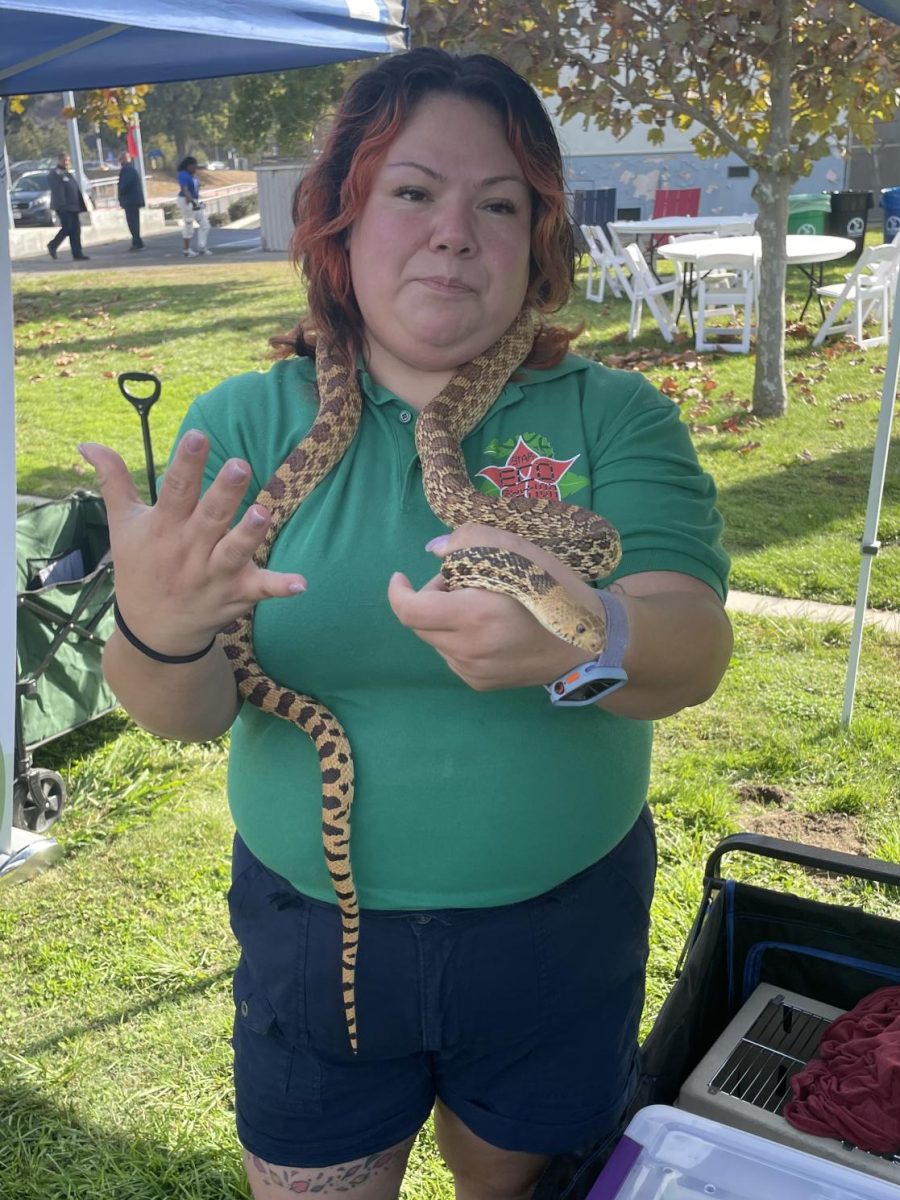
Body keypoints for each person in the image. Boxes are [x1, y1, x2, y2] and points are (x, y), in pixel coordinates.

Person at [82, 48, 732, 1200]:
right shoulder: (247, 421)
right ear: (342, 218)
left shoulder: (613, 413)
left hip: (559, 929)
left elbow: (691, 646)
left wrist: (589, 633)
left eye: (500, 203)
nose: (454, 232)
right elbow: (181, 717)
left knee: (517, 1184)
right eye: (413, 191)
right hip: (307, 927)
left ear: (538, 237)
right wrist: (161, 624)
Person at [46, 152, 89, 261]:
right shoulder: (56, 173)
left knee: (76, 230)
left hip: (74, 207)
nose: (66, 163)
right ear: (59, 160)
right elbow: (58, 191)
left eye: (68, 160)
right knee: (68, 228)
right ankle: (53, 245)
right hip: (64, 207)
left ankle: (77, 253)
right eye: (64, 160)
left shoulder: (67, 173)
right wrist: (62, 205)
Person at [175, 154, 211, 258]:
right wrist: (193, 202)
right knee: (189, 224)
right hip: (186, 201)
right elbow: (185, 190)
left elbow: (194, 189)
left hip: (193, 200)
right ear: (188, 166)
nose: (195, 169)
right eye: (194, 167)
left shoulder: (191, 176)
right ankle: (186, 250)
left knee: (205, 224)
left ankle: (202, 247)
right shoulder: (183, 174)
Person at [117, 151, 145, 250]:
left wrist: (120, 193)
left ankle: (136, 241)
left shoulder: (127, 170)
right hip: (133, 200)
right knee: (134, 222)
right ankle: (137, 241)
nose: (120, 161)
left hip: (130, 201)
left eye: (121, 159)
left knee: (132, 222)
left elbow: (124, 185)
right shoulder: (131, 169)